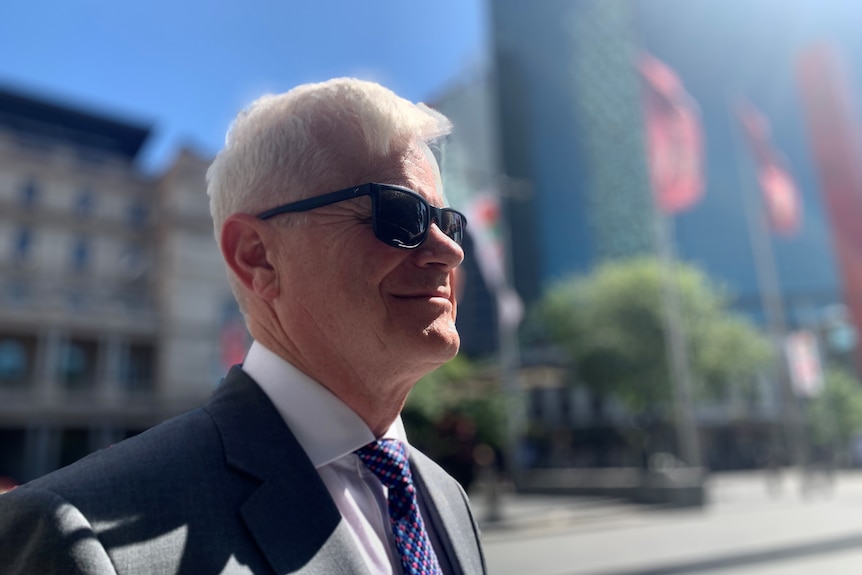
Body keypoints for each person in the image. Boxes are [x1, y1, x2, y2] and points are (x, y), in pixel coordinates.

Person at [0, 78, 486, 574]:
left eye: (447, 223)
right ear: (257, 257)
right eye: (400, 214)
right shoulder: (78, 537)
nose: (450, 251)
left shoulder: (448, 499)